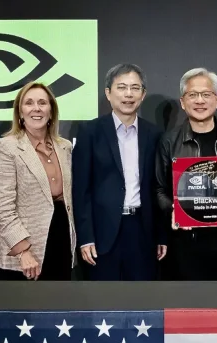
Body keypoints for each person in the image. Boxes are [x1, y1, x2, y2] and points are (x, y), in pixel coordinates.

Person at [153, 67, 217, 281]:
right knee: (189, 300)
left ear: (216, 100)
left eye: (206, 94)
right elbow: (159, 189)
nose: (200, 100)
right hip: (185, 240)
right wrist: (175, 209)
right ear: (183, 102)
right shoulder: (169, 141)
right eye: (193, 94)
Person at [72, 63, 166, 280]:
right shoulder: (90, 132)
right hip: (102, 233)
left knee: (142, 296)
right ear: (108, 93)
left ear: (143, 94)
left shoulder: (155, 134)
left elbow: (158, 188)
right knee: (104, 297)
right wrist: (86, 237)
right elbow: (81, 190)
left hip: (142, 231)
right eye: (121, 87)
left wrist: (162, 235)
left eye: (135, 88)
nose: (128, 94)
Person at [0, 82, 77, 281]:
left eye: (42, 103)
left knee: (59, 300)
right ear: (20, 112)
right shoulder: (5, 147)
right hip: (22, 251)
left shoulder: (65, 147)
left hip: (61, 240)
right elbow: (2, 208)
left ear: (51, 111)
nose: (36, 108)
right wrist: (23, 251)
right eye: (29, 103)